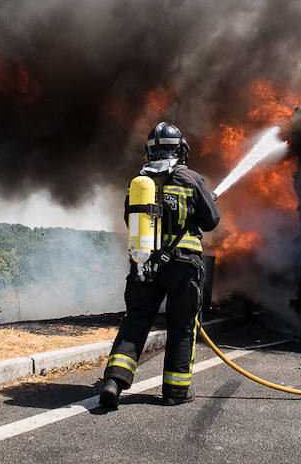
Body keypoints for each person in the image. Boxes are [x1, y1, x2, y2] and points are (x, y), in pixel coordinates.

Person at [99, 121, 220, 407]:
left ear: (149, 151)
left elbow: (130, 220)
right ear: (181, 149)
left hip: (144, 264)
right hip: (184, 266)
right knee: (182, 326)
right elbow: (211, 221)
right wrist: (206, 201)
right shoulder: (191, 179)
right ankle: (176, 391)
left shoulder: (139, 184)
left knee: (136, 320)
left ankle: (114, 381)